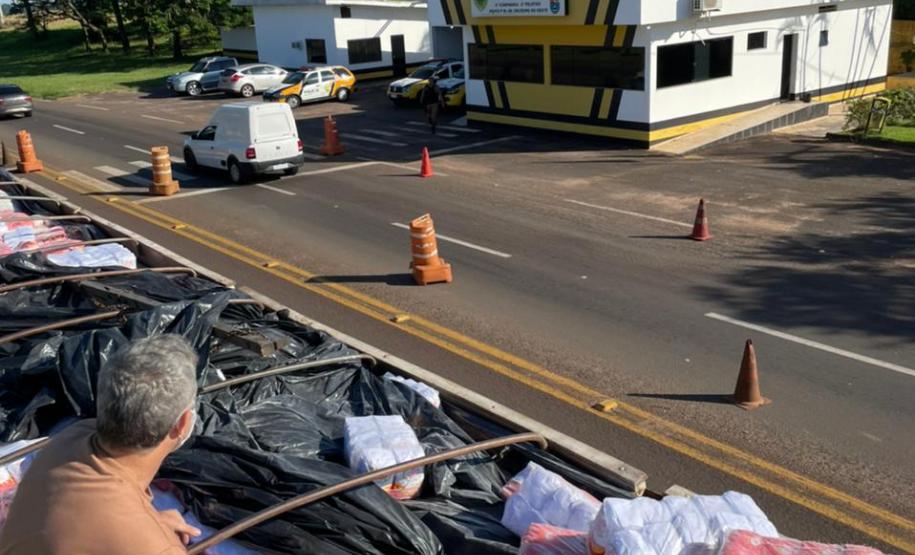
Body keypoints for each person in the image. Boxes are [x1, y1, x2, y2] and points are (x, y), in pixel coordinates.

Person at [0, 334, 203, 555]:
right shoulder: (159, 549)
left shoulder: (73, 437)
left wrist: (150, 526)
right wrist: (153, 537)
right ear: (182, 423)